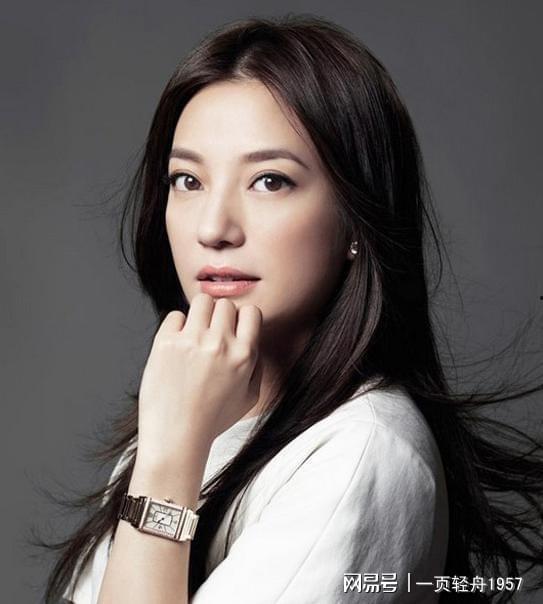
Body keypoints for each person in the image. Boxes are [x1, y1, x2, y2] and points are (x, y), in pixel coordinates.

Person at [37, 14, 543, 604]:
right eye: (187, 181)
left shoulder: (362, 454)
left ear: (355, 216)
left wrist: (167, 466)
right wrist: (168, 448)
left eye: (270, 181)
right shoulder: (185, 415)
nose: (213, 228)